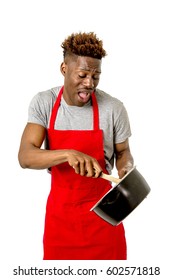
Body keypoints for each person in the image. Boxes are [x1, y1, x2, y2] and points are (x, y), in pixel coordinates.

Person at [18, 32, 134, 260]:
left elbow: (123, 152)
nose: (89, 83)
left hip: (104, 219)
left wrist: (126, 167)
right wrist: (67, 154)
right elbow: (25, 157)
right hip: (60, 222)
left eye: (95, 76)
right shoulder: (45, 103)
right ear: (64, 69)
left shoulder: (113, 108)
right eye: (82, 75)